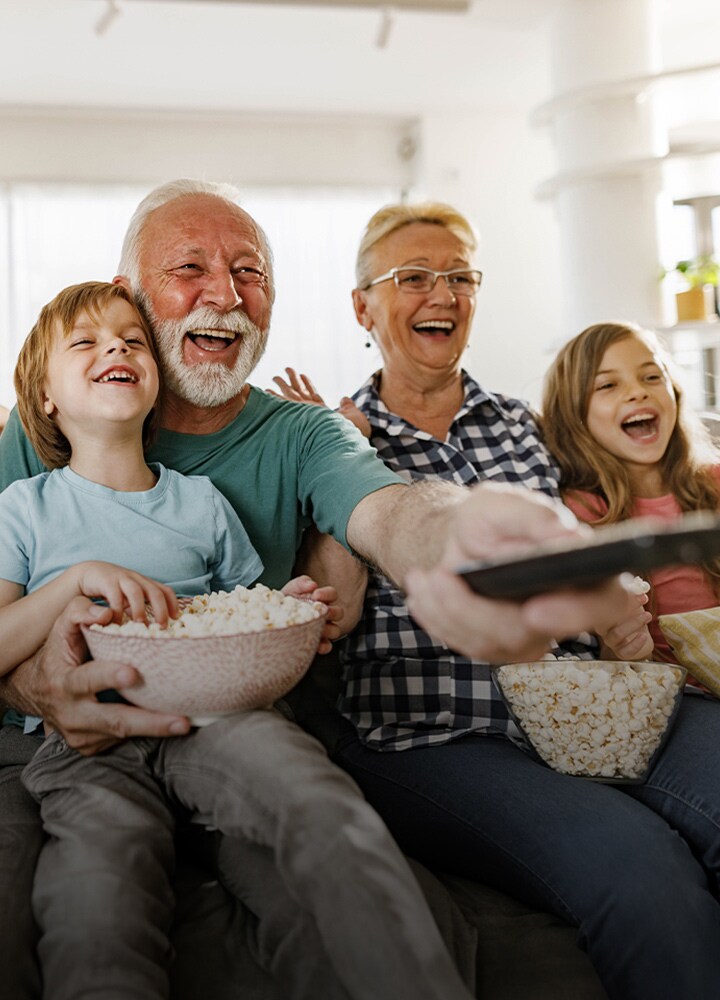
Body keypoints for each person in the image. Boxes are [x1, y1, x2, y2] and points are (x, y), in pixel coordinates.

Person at [0, 181, 637, 999]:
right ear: (129, 295)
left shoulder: (299, 438)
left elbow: (391, 512)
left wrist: (467, 534)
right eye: (189, 267)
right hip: (57, 746)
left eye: (250, 272)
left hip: (228, 726)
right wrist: (39, 680)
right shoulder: (40, 442)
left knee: (350, 874)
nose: (226, 295)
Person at [271, 202, 720, 1000]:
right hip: (436, 735)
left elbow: (620, 477)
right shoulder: (327, 437)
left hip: (588, 705)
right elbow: (327, 620)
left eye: (459, 277)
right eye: (413, 277)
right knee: (641, 870)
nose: (441, 293)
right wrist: (346, 460)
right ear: (362, 308)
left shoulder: (523, 424)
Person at [542, 319, 720, 662]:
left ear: (675, 395)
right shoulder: (582, 514)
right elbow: (608, 653)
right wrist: (620, 650)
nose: (638, 391)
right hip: (678, 693)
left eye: (652, 377)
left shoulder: (714, 481)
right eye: (608, 385)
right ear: (574, 414)